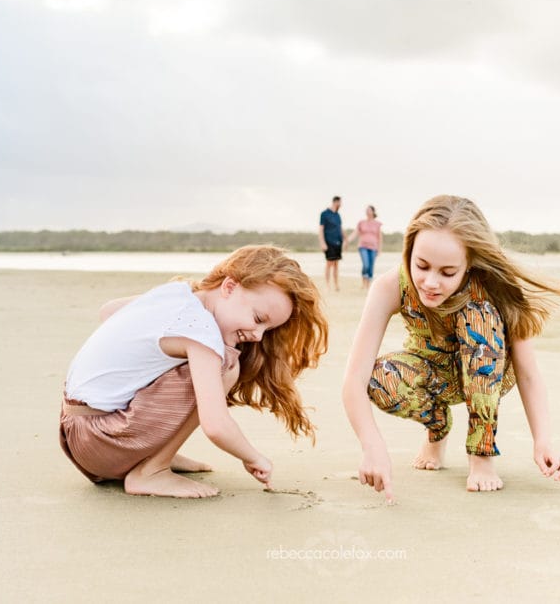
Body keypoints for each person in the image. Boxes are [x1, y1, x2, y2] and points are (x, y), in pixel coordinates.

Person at [341, 195, 560, 498]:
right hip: (431, 374)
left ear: (469, 263)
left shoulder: (497, 286)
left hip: (490, 372)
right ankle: (438, 427)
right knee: (380, 377)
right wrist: (372, 447)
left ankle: (481, 455)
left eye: (447, 272)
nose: (430, 282)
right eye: (422, 265)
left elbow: (529, 374)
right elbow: (354, 379)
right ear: (409, 250)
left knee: (478, 315)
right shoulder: (390, 286)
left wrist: (542, 440)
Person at [59, 245, 328, 499]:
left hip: (75, 430)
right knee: (226, 368)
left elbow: (108, 311)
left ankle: (154, 453)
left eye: (266, 330)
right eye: (258, 319)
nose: (257, 336)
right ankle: (152, 470)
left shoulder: (178, 293)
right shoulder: (201, 332)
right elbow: (216, 425)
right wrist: (254, 457)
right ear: (230, 287)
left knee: (192, 362)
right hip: (103, 442)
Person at [346, 205, 382, 289]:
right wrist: (347, 240)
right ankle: (363, 283)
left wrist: (379, 250)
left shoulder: (377, 224)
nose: (367, 212)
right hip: (363, 247)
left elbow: (379, 237)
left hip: (373, 248)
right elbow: (355, 233)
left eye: (369, 210)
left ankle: (368, 285)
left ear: (373, 212)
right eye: (366, 210)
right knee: (366, 265)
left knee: (371, 266)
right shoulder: (361, 223)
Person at [318, 195, 346, 291]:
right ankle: (327, 285)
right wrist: (322, 243)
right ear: (336, 202)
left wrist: (345, 239)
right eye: (340, 202)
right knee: (329, 263)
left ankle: (336, 285)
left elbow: (340, 228)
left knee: (336, 265)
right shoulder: (324, 214)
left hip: (338, 243)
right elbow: (321, 229)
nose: (341, 205)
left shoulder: (338, 215)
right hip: (328, 242)